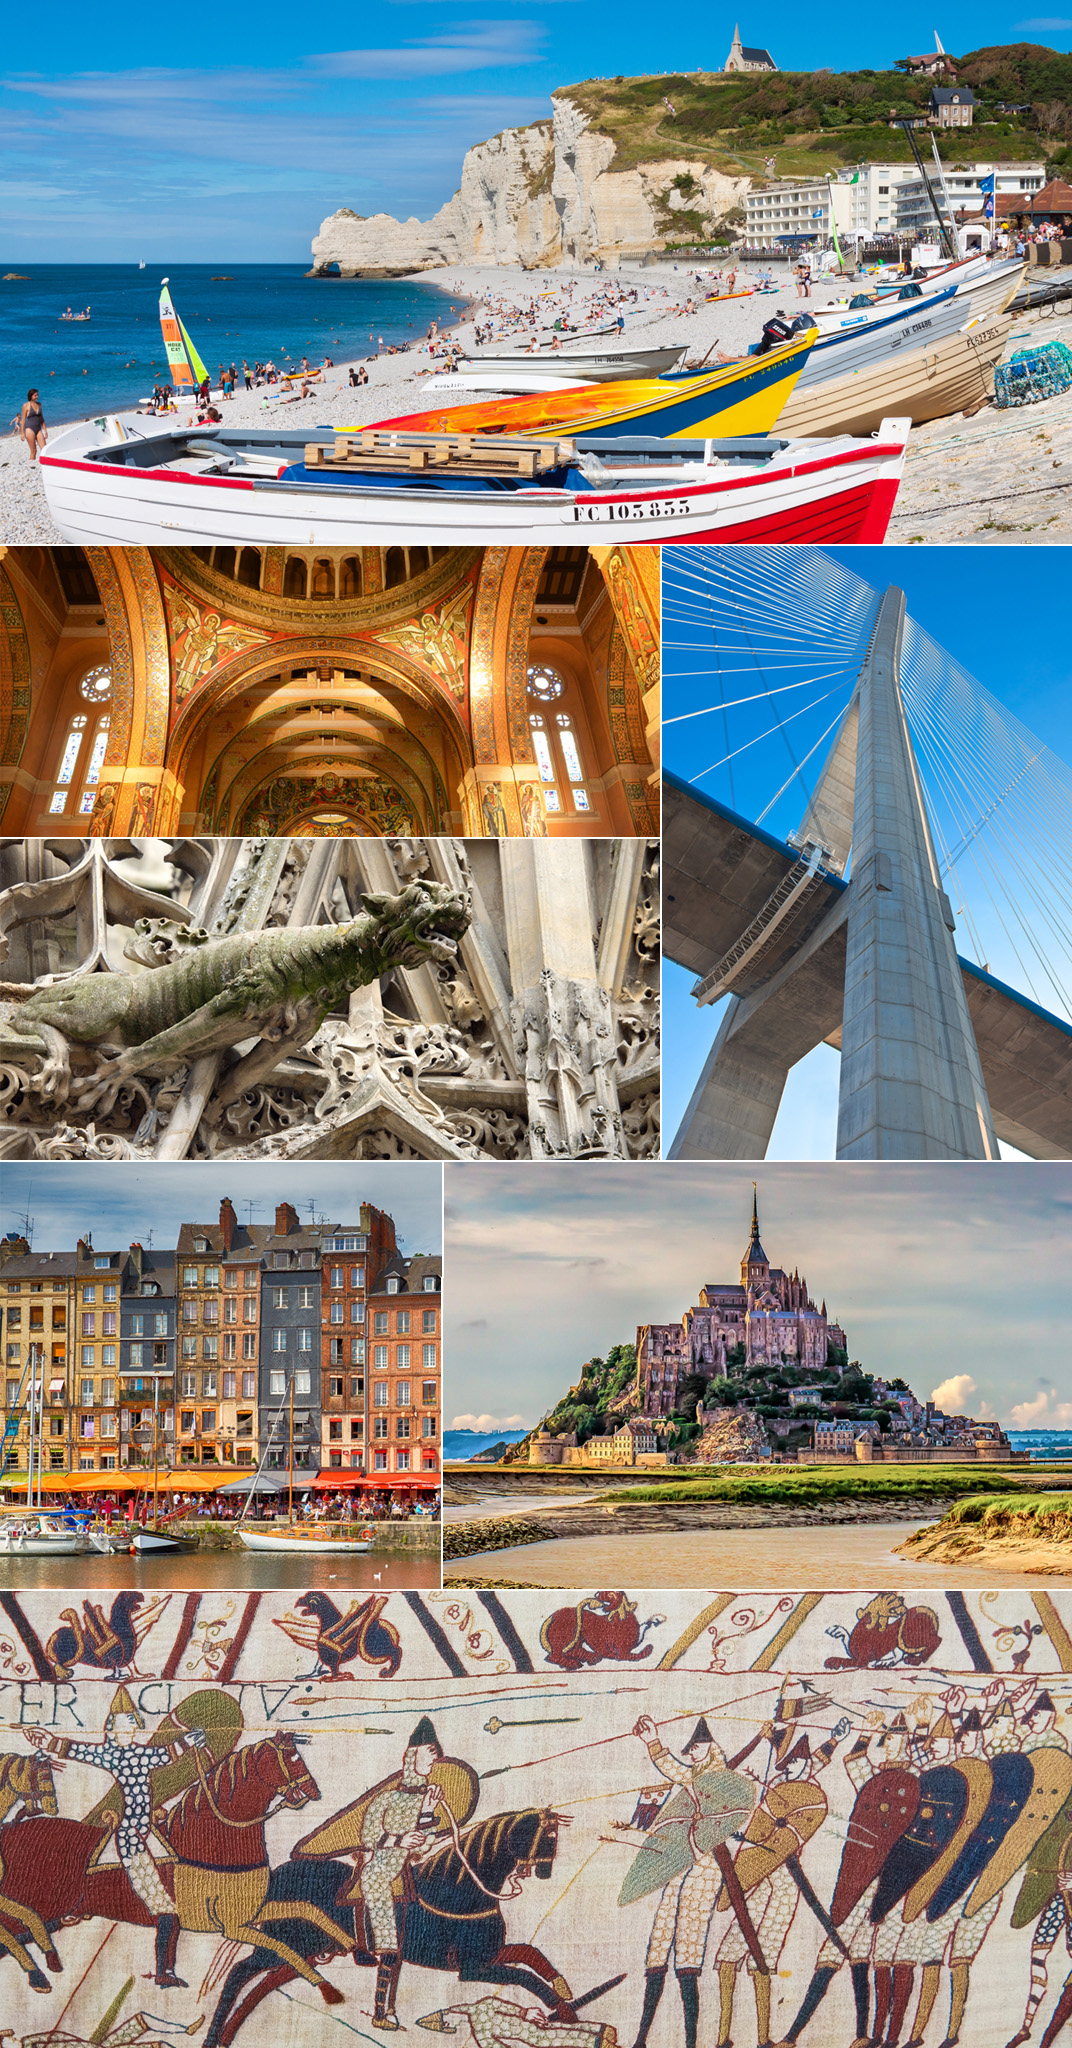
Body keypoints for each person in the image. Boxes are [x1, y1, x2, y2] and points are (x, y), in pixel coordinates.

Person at [20, 389, 47, 461]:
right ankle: (32, 466)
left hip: (38, 429)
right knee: (33, 451)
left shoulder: (39, 404)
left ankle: (44, 464)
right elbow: (23, 420)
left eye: (37, 395)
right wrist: (22, 433)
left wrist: (45, 430)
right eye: (35, 395)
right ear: (31, 396)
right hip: (29, 429)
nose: (37, 397)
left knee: (44, 449)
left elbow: (42, 419)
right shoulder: (26, 405)